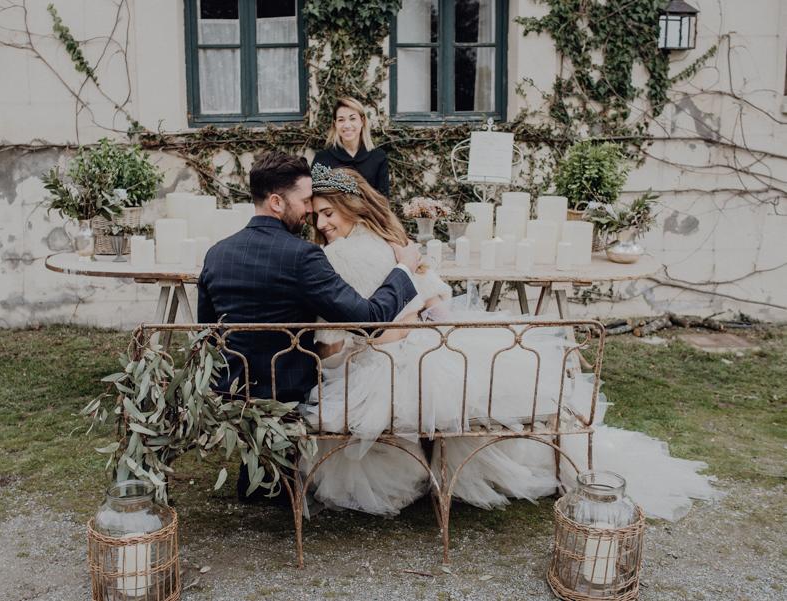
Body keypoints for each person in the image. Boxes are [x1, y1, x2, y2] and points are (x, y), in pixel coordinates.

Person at [302, 164, 719, 521]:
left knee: (431, 393)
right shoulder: (388, 241)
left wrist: (402, 326)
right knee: (473, 385)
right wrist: (419, 318)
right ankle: (461, 466)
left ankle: (432, 467)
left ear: (353, 205)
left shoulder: (342, 255)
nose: (322, 225)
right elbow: (433, 295)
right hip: (420, 345)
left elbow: (351, 334)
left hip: (392, 358)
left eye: (328, 213)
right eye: (317, 217)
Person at [196, 152, 420, 501]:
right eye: (303, 203)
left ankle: (261, 475)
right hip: (289, 389)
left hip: (232, 389)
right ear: (275, 202)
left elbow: (207, 331)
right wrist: (403, 270)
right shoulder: (303, 256)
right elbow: (369, 322)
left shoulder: (216, 253)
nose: (308, 213)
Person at [313, 97, 390, 197]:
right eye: (341, 120)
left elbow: (383, 200)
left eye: (352, 118)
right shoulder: (322, 159)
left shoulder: (378, 157)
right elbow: (318, 198)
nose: (347, 125)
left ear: (362, 121)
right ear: (335, 123)